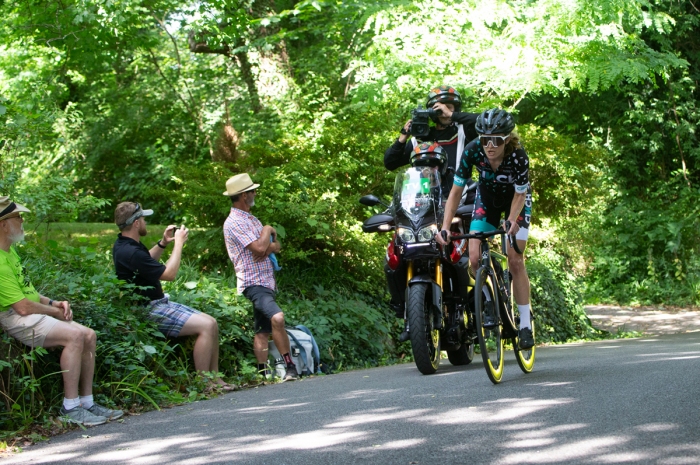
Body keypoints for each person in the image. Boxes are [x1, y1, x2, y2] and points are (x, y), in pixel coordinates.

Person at [0, 196, 123, 426]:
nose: (22, 220)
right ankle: (70, 407)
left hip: (28, 312)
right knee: (75, 335)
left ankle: (87, 402)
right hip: (14, 317)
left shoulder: (10, 252)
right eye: (17, 217)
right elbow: (22, 306)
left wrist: (54, 302)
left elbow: (29, 293)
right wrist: (53, 312)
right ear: (3, 224)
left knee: (89, 335)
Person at [384, 85, 480, 341]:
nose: (441, 112)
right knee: (394, 251)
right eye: (437, 107)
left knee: (474, 255)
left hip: (463, 198)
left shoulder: (463, 129)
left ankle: (480, 304)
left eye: (449, 105)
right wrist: (404, 135)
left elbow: (481, 121)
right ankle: (404, 310)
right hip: (426, 209)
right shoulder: (420, 136)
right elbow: (391, 163)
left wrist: (452, 116)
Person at [436, 108, 534, 349]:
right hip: (487, 199)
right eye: (485, 140)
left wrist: (511, 219)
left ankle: (525, 324)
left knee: (515, 260)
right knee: (473, 256)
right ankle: (489, 302)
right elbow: (456, 192)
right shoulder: (472, 151)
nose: (490, 146)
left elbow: (520, 194)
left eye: (496, 140)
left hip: (516, 200)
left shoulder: (519, 156)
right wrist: (445, 228)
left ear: (507, 139)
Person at [111, 202, 234, 391]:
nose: (145, 222)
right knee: (206, 326)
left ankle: (215, 378)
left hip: (158, 302)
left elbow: (146, 262)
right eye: (143, 218)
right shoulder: (130, 251)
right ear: (136, 223)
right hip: (148, 309)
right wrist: (178, 244)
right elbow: (169, 274)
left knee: (212, 322)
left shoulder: (125, 245)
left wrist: (163, 243)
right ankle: (204, 383)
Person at [222, 173, 299, 382]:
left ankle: (262, 373)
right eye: (252, 191)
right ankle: (290, 367)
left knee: (262, 328)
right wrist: (266, 230)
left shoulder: (250, 219)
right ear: (243, 195)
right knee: (277, 317)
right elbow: (259, 247)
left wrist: (266, 246)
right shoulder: (235, 222)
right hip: (254, 282)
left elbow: (275, 246)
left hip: (266, 280)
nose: (255, 193)